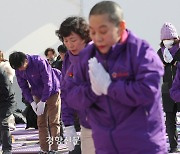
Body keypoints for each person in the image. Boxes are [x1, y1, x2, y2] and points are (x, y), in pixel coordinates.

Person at [62, 1, 167, 153]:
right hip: (105, 145)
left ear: (121, 27)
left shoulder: (141, 52)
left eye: (103, 31)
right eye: (92, 32)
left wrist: (110, 87)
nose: (97, 38)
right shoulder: (88, 56)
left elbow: (147, 91)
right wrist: (92, 91)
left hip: (142, 145)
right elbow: (70, 94)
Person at [9, 51, 61, 154]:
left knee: (53, 122)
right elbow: (23, 87)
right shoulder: (18, 69)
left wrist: (43, 101)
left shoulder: (39, 61)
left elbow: (48, 83)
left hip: (52, 92)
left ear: (25, 60)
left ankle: (54, 148)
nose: (20, 70)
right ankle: (44, 149)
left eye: (21, 67)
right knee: (41, 123)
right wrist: (32, 102)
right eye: (17, 68)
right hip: (37, 94)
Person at [56, 16, 95, 154]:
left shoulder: (100, 54)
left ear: (84, 37)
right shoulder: (68, 60)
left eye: (73, 40)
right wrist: (68, 125)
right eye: (66, 41)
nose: (70, 45)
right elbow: (66, 91)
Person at [157, 22, 180, 153]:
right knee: (170, 119)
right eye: (164, 40)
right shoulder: (160, 53)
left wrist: (175, 63)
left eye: (169, 39)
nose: (167, 42)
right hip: (167, 90)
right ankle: (173, 146)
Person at [0, 67, 16, 154]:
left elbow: (6, 91)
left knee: (3, 122)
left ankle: (7, 149)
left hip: (6, 101)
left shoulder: (1, 73)